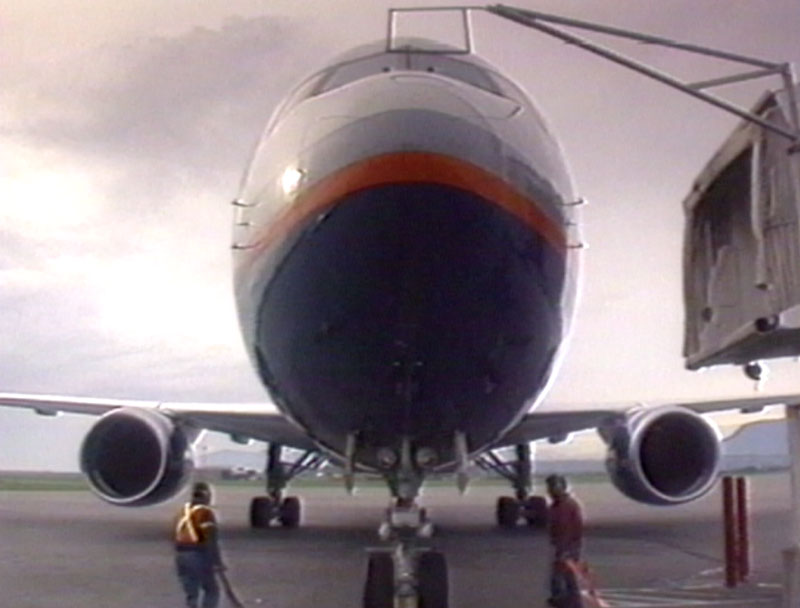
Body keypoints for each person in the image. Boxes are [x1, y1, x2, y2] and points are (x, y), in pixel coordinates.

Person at [173, 482, 226, 608]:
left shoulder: (183, 511)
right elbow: (211, 541)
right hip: (197, 555)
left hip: (181, 556)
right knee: (212, 590)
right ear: (207, 496)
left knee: (192, 593)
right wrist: (217, 562)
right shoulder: (205, 513)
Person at [545, 474, 584, 608]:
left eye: (552, 487)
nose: (549, 491)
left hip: (567, 547)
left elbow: (568, 529)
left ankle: (565, 602)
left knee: (562, 577)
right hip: (564, 546)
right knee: (566, 577)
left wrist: (564, 549)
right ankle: (569, 602)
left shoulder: (566, 505)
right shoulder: (558, 504)